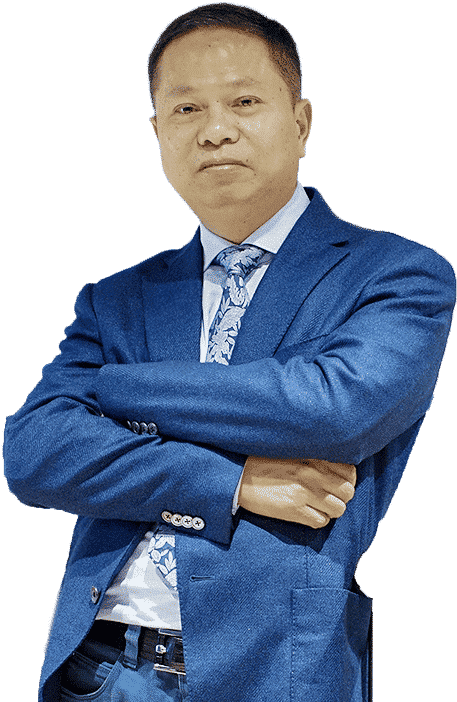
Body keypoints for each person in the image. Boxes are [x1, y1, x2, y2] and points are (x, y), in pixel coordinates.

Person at [3, 3, 455, 701]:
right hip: (99, 668)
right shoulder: (118, 297)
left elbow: (332, 409)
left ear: (300, 122)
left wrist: (113, 389)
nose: (215, 130)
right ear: (158, 133)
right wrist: (233, 484)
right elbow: (33, 454)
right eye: (186, 110)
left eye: (244, 102)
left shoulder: (394, 273)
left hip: (273, 666)